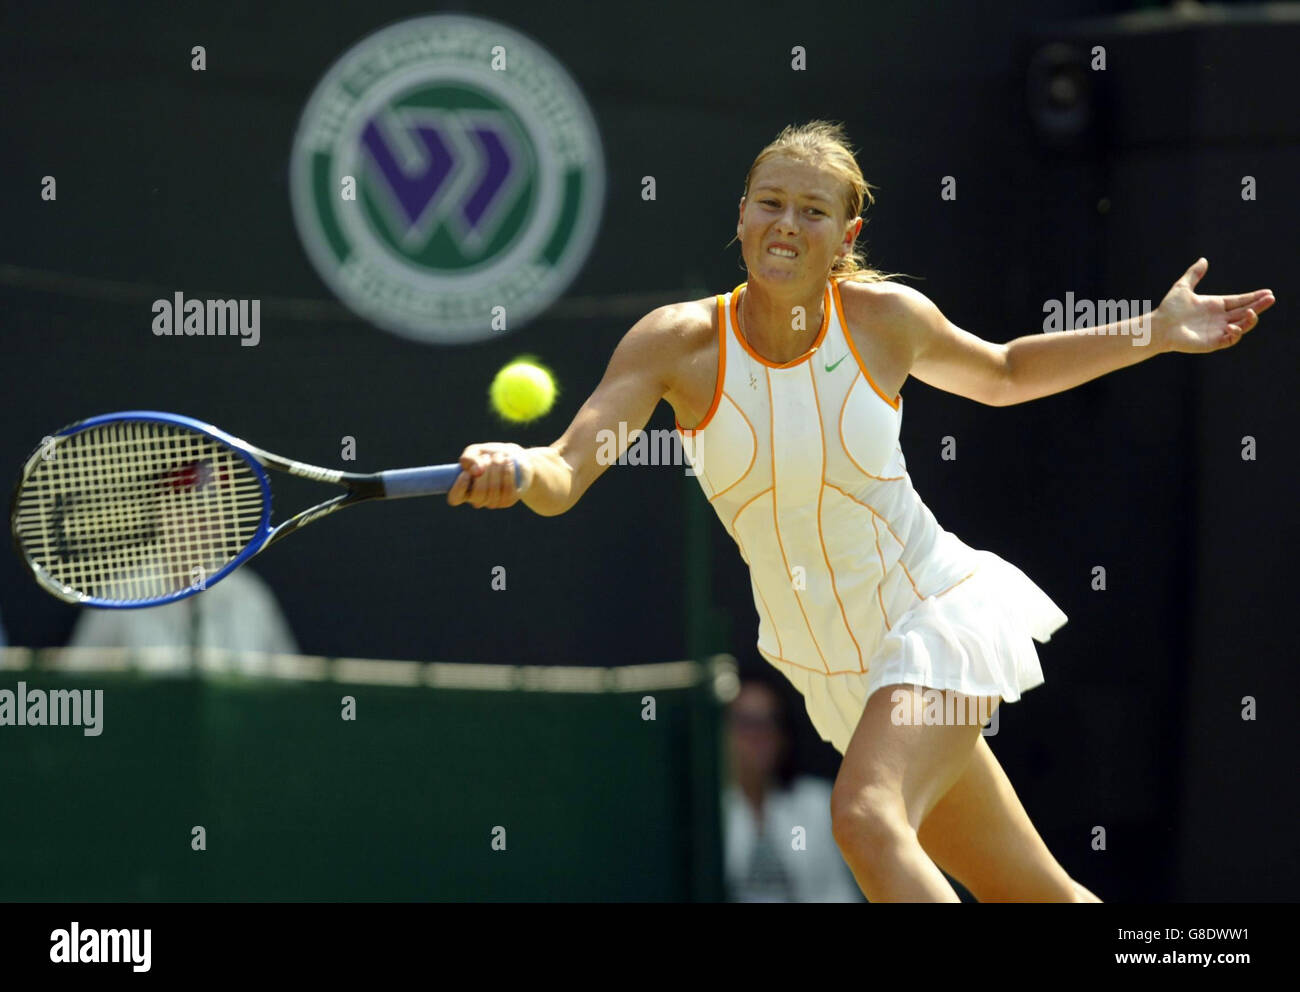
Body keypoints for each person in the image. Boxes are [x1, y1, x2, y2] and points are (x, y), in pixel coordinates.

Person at [446, 120, 1274, 902]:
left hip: (933, 611)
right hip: (836, 673)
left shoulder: (883, 321)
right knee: (1036, 894)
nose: (785, 223)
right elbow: (563, 473)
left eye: (813, 211)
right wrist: (515, 466)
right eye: (769, 201)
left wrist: (1154, 333)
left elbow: (1009, 372)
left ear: (846, 237)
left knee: (864, 820)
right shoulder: (675, 343)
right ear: (741, 213)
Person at [724, 675, 861, 902]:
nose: (759, 736)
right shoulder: (702, 809)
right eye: (746, 723)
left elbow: (836, 893)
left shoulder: (816, 804)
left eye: (769, 722)